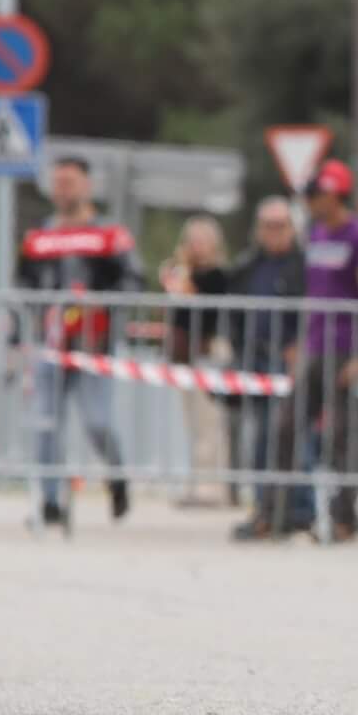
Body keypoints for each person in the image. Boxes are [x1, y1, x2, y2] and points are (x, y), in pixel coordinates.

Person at [254, 160, 358, 542]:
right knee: (286, 427)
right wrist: (297, 341)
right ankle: (273, 514)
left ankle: (344, 519)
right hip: (314, 345)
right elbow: (312, 293)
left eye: (315, 194)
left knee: (343, 435)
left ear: (334, 194)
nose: (309, 201)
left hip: (345, 349)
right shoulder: (316, 233)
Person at [19, 155, 142, 528]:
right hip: (50, 344)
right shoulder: (39, 236)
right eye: (58, 182)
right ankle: (51, 501)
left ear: (87, 186)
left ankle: (117, 475)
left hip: (94, 344)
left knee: (98, 422)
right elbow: (22, 283)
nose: (63, 190)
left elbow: (133, 280)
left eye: (70, 182)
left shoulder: (110, 235)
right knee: (46, 424)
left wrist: (104, 303)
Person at [224, 197, 306, 533]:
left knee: (289, 440)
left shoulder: (304, 266)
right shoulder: (247, 266)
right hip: (253, 362)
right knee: (259, 442)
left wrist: (299, 347)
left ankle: (292, 511)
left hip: (290, 364)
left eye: (280, 225)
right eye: (267, 226)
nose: (273, 232)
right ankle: (265, 510)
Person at [159, 213, 232, 507]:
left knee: (210, 422)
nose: (197, 246)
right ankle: (197, 481)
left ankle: (212, 486)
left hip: (210, 350)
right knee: (193, 422)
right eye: (192, 241)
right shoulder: (181, 273)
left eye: (202, 241)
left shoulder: (219, 276)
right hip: (186, 353)